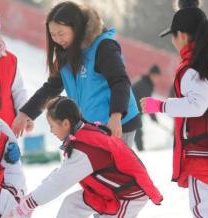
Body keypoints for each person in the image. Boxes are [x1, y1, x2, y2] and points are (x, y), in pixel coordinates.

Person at [10, 97, 171, 218]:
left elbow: (59, 182)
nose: (50, 130)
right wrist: (29, 201)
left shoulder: (84, 147)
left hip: (127, 194)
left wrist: (27, 204)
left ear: (65, 123)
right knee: (72, 205)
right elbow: (62, 173)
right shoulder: (81, 135)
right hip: (107, 190)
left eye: (52, 125)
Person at [141, 2, 208, 218]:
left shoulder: (192, 68)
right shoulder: (201, 62)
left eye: (173, 34)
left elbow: (198, 104)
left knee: (201, 206)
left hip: (201, 150)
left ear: (182, 35)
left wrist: (160, 105)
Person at [12, 1, 141, 146]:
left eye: (61, 33)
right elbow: (51, 88)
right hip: (92, 125)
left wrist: (116, 116)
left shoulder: (103, 47)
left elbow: (120, 81)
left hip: (118, 122)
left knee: (116, 168)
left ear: (76, 28)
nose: (57, 40)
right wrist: (26, 114)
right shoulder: (66, 52)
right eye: (53, 35)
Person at [132, 65, 162, 151]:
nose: (157, 79)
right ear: (152, 75)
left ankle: (140, 149)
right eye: (157, 77)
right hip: (132, 110)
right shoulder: (145, 85)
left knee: (136, 130)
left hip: (135, 110)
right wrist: (154, 118)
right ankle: (141, 150)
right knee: (137, 130)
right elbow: (148, 104)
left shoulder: (145, 83)